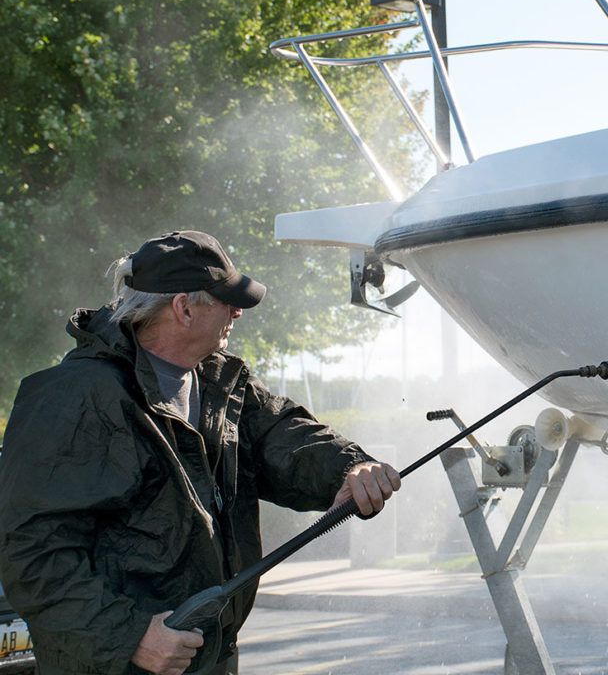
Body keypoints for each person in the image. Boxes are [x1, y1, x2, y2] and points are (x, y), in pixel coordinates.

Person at [0, 230, 401, 675]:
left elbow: (282, 434)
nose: (237, 312)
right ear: (184, 308)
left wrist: (350, 467)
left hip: (208, 658)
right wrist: (131, 637)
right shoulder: (72, 398)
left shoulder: (219, 383)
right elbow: (31, 554)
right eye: (227, 301)